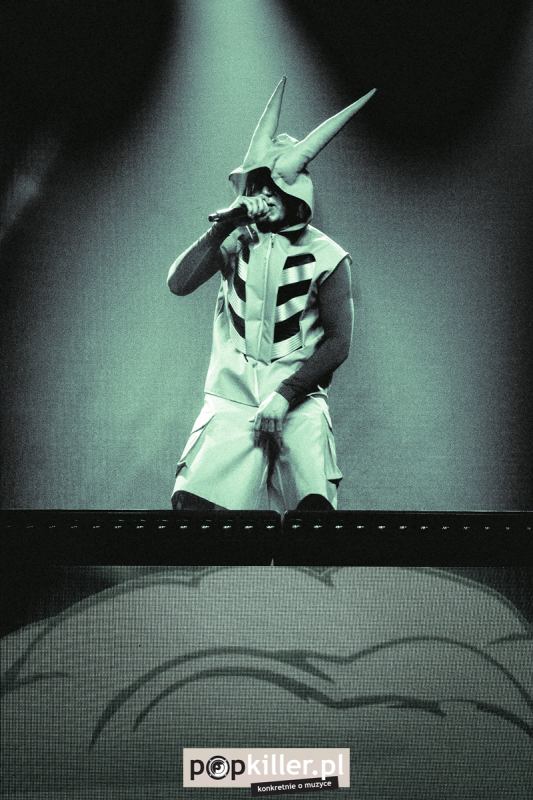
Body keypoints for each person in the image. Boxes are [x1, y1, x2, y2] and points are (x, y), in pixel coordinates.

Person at [168, 77, 375, 513]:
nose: (264, 195)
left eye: (274, 186)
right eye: (257, 184)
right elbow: (179, 283)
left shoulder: (329, 256)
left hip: (298, 403)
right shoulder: (233, 241)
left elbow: (339, 342)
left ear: (296, 193)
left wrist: (286, 393)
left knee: (311, 520)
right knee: (198, 518)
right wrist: (224, 227)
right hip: (230, 400)